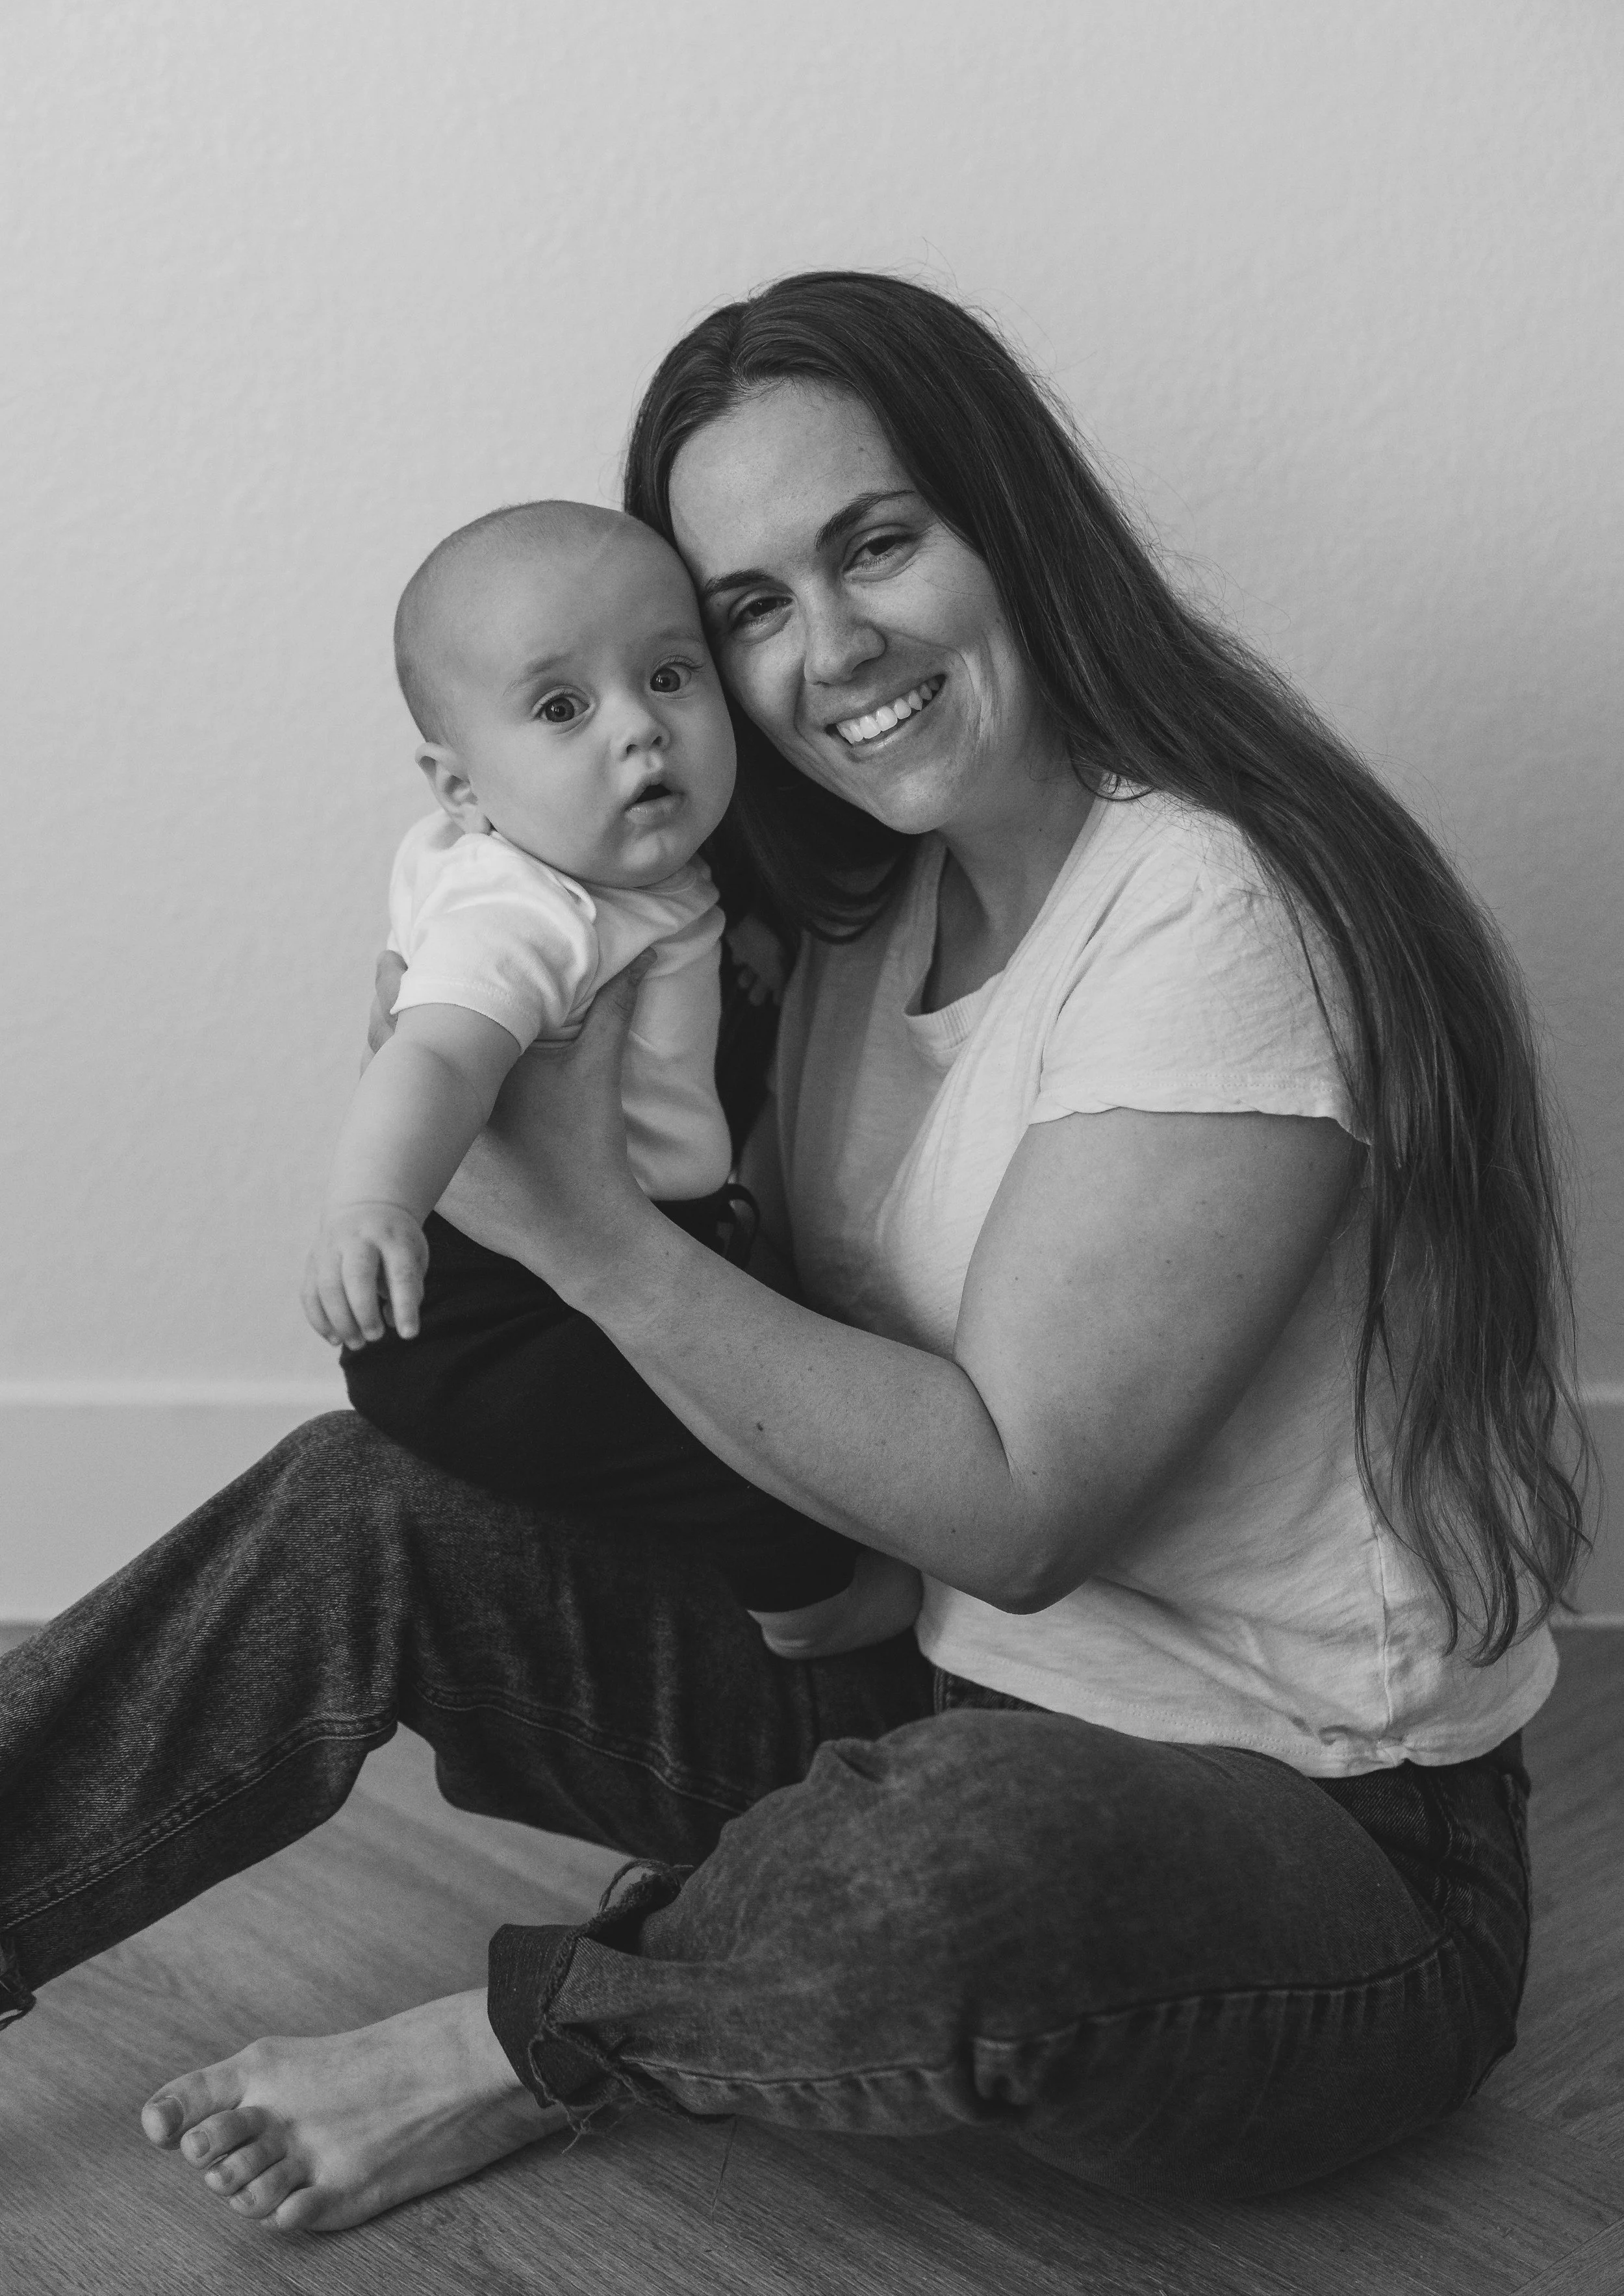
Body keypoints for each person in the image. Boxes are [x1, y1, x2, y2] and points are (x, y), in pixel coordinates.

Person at [0, 273, 1589, 2237]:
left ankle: (534, 2033)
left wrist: (573, 1226)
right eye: (746, 606)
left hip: (1309, 1839)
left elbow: (1018, 1514)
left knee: (970, 1854)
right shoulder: (831, 907)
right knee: (362, 1500)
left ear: (1013, 521)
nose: (826, 647)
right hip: (905, 1681)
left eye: (875, 543)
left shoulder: (1212, 907)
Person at [307, 495, 915, 1654]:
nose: (639, 728)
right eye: (561, 707)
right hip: (501, 1312)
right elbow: (430, 1051)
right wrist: (371, 1207)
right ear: (463, 788)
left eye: (672, 675)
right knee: (735, 1435)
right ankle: (810, 1606)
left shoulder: (600, 864)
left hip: (557, 1277)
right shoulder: (525, 910)